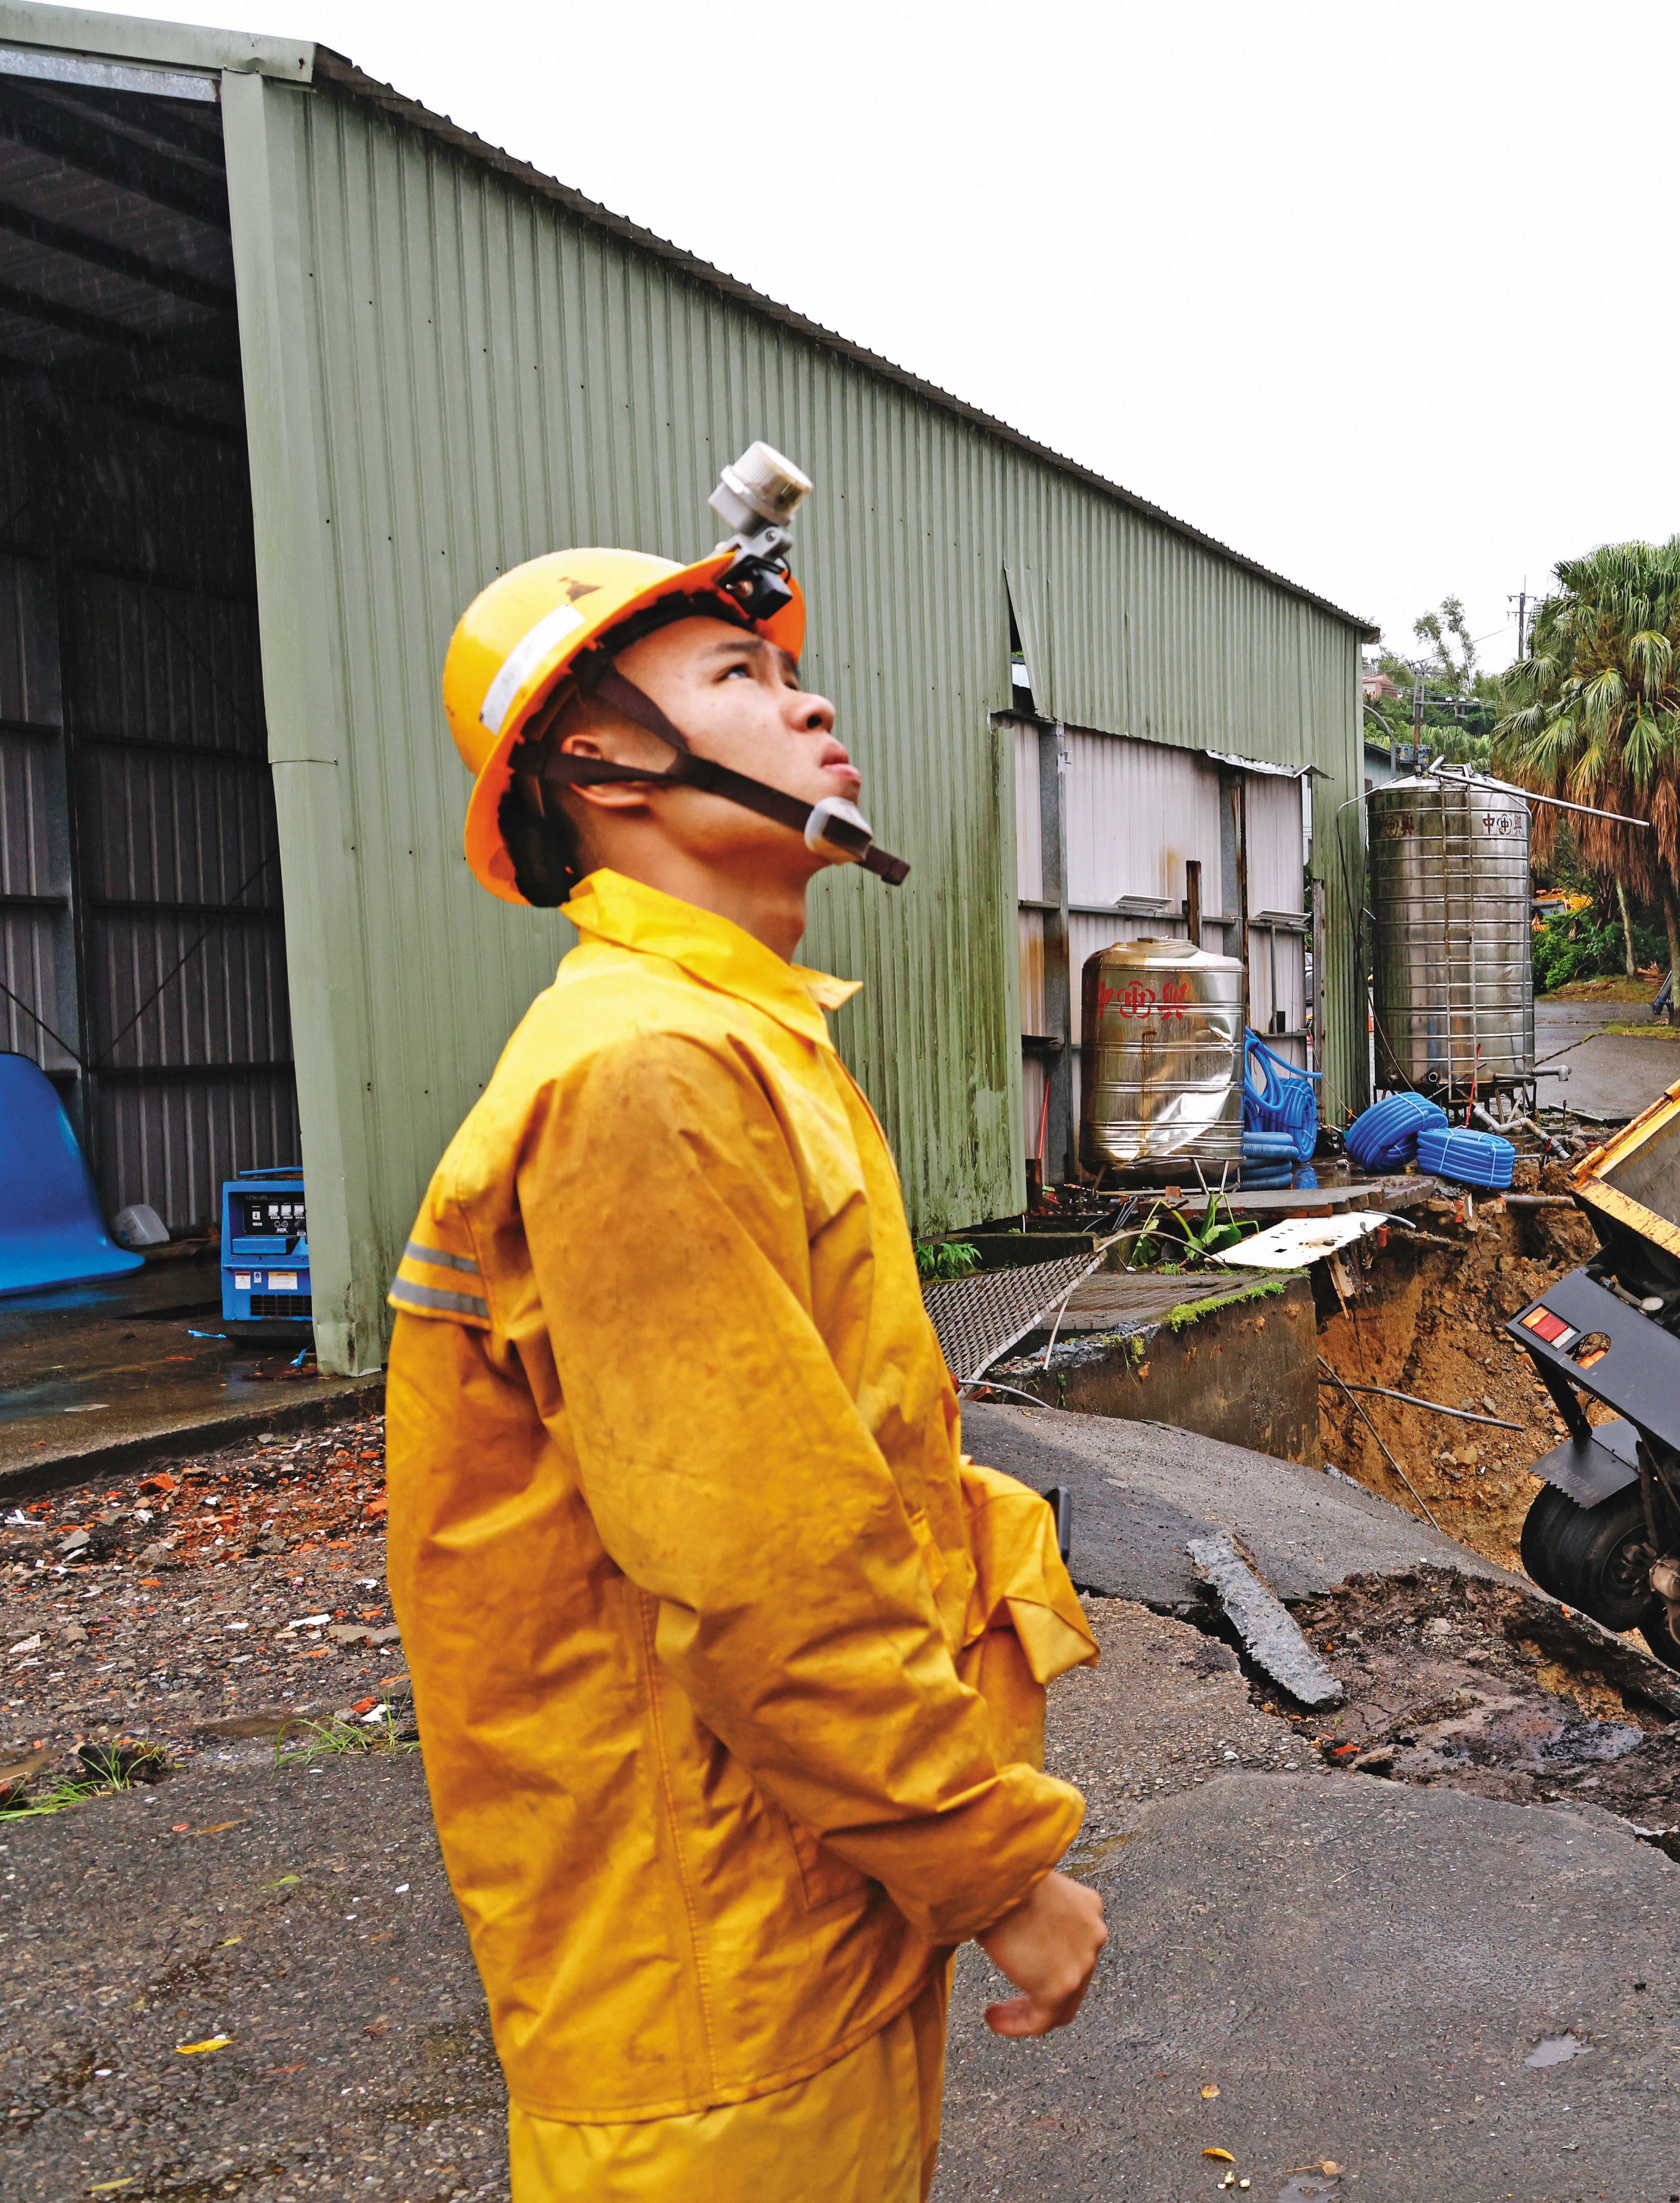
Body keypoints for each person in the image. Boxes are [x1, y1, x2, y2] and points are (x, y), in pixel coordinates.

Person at [388, 490, 1107, 2201]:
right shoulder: (645, 1075)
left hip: (783, 1903)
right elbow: (765, 1569)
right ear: (605, 768)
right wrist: (993, 1869)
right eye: (739, 675)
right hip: (709, 1975)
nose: (811, 699)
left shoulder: (733, 1040)